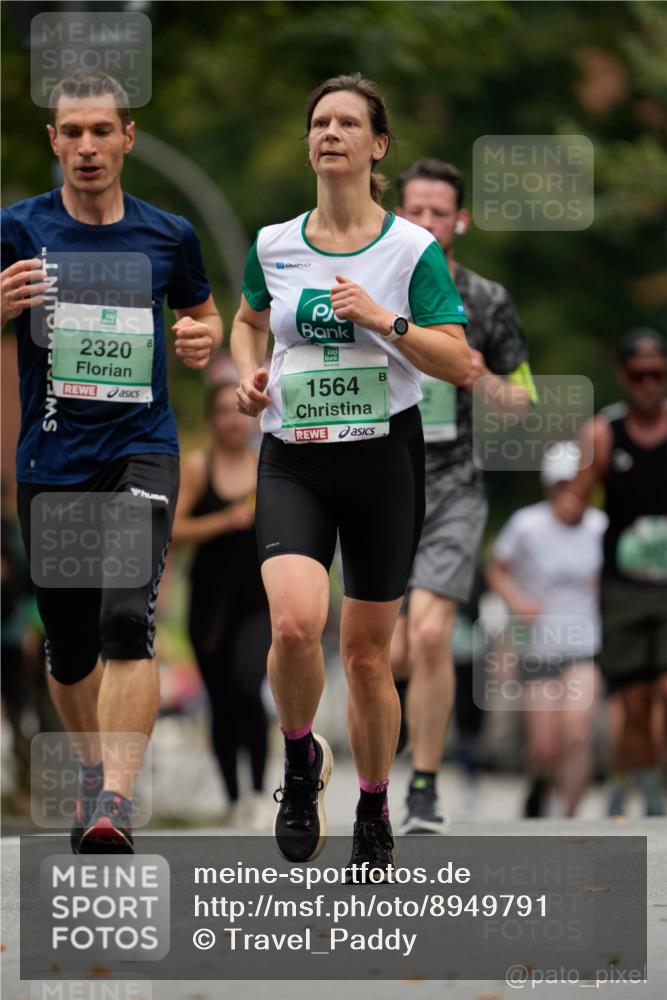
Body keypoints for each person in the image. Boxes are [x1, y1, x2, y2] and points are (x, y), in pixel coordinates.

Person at [230, 74, 470, 878]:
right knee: (295, 626)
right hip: (293, 454)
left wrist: (383, 319)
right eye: (320, 122)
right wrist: (248, 373)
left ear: (378, 146)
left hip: (382, 460)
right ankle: (300, 764)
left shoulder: (410, 249)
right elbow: (247, 320)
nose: (330, 132)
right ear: (308, 142)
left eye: (348, 123)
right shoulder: (272, 242)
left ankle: (372, 805)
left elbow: (456, 360)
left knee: (367, 656)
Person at [0, 70, 222, 853]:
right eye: (72, 132)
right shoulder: (18, 229)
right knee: (68, 649)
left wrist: (201, 338)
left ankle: (116, 801)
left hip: (141, 450)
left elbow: (203, 315)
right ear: (53, 141)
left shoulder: (169, 235)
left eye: (102, 130)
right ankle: (95, 772)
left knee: (126, 618)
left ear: (128, 137)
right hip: (52, 462)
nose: (87, 146)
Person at [389, 159, 535, 833]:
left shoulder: (485, 299)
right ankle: (370, 765)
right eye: (413, 211)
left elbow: (522, 404)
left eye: (437, 213)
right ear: (397, 214)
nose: (425, 223)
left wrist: (480, 379)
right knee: (384, 650)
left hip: (454, 487)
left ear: (460, 221)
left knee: (430, 634)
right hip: (378, 481)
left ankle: (423, 784)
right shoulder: (371, 283)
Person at [561, 329, 667, 816]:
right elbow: (577, 499)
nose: (649, 384)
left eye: (657, 374)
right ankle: (648, 793)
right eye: (639, 375)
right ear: (624, 378)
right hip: (625, 586)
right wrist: (570, 502)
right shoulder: (603, 433)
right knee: (637, 701)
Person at [172, 375, 271, 830]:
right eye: (223, 412)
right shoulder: (198, 467)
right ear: (212, 419)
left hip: (257, 601)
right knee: (221, 700)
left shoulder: (266, 464)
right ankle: (233, 797)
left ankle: (260, 792)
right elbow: (173, 530)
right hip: (209, 604)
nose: (233, 421)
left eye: (239, 411)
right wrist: (225, 520)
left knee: (250, 688)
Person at [486, 442, 606, 817]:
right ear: (549, 486)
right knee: (545, 745)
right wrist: (517, 602)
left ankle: (571, 817)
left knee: (578, 730)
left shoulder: (600, 527)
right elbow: (496, 568)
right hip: (539, 648)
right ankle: (539, 781)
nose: (569, 493)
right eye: (561, 485)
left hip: (584, 645)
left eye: (576, 485)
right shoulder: (527, 525)